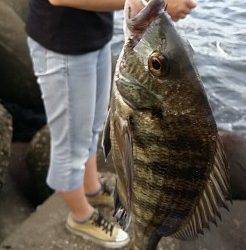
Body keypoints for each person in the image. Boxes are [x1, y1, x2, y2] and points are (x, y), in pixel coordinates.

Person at [26, 0, 196, 248]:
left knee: (94, 126)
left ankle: (92, 189)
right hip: (60, 46)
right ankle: (81, 217)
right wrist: (157, 4)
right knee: (71, 143)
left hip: (95, 38)